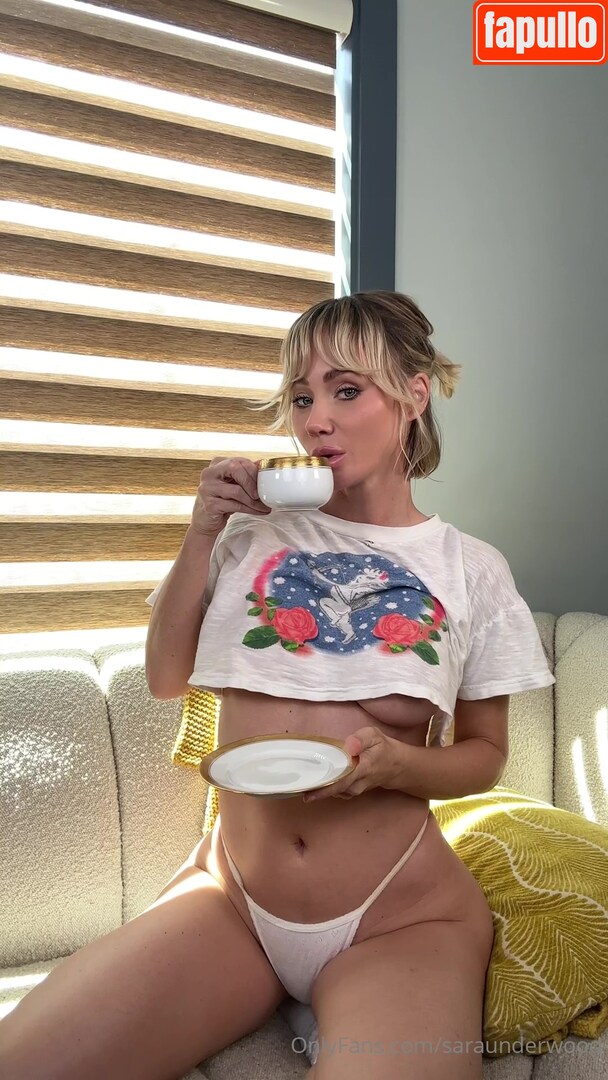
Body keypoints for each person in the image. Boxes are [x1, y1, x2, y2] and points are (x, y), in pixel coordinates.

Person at [0, 291, 556, 1080]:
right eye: (301, 398)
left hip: (400, 916)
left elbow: (485, 754)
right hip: (232, 899)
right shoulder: (247, 540)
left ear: (413, 394)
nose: (316, 420)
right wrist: (202, 533)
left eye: (346, 390)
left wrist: (401, 766)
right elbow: (164, 677)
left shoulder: (471, 570)